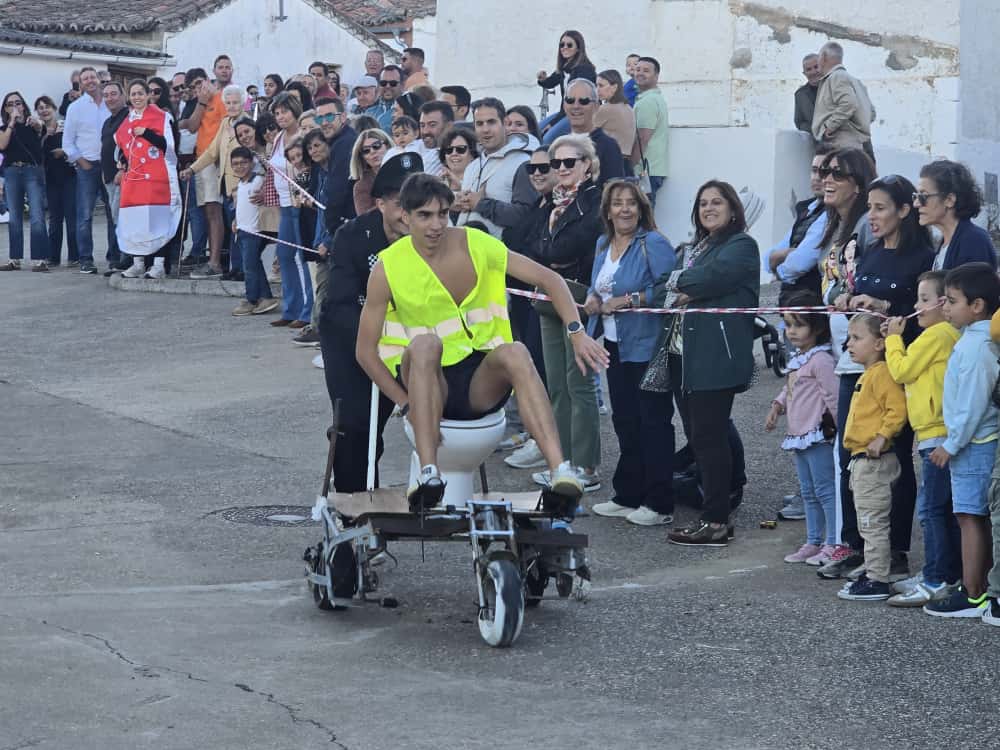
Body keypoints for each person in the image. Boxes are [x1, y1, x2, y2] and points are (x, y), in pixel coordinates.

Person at [355, 173, 608, 512]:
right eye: (425, 215)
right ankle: (428, 475)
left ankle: (560, 472)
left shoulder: (475, 243)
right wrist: (405, 404)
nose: (436, 225)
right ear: (405, 215)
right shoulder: (388, 266)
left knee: (516, 351)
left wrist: (577, 333)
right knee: (426, 344)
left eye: (443, 214)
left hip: (479, 382)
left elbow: (550, 279)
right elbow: (365, 352)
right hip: (428, 382)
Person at [646, 181, 759, 547]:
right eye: (703, 203)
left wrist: (683, 285)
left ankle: (716, 520)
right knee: (700, 436)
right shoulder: (694, 248)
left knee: (709, 438)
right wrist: (682, 287)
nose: (708, 208)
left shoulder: (741, 245)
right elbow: (661, 288)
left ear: (733, 209)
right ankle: (715, 511)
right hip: (683, 356)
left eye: (717, 202)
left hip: (715, 356)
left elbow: (713, 277)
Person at [319, 153, 422, 492]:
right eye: (401, 204)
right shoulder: (352, 236)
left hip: (411, 341)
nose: (409, 213)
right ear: (380, 204)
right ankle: (354, 505)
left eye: (417, 204)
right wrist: (381, 336)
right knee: (356, 425)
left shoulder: (431, 237)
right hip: (350, 340)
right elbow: (341, 303)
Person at [584, 180, 676, 525]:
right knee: (625, 420)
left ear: (641, 209)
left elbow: (671, 287)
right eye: (617, 203)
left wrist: (628, 300)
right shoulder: (602, 244)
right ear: (607, 211)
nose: (624, 209)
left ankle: (659, 503)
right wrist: (592, 299)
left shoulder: (653, 243)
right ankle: (628, 494)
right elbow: (598, 286)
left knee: (653, 422)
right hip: (614, 344)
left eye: (631, 203)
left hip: (647, 345)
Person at [923, 264, 1000, 617]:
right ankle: (976, 587)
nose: (946, 308)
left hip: (975, 443)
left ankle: (972, 593)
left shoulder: (976, 347)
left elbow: (972, 404)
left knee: (969, 516)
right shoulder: (976, 340)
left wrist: (952, 444)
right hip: (976, 441)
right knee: (974, 516)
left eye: (952, 301)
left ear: (977, 305)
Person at [529, 134, 604, 493]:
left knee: (579, 383)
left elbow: (566, 246)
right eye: (555, 163)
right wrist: (550, 252)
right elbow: (535, 245)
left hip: (577, 293)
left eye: (569, 162)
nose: (560, 168)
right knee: (556, 384)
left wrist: (551, 252)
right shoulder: (550, 202)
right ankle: (563, 463)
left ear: (587, 165)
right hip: (548, 294)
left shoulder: (594, 201)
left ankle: (585, 465)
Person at [882, 270, 962, 606]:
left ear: (943, 303)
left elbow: (902, 370)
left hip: (935, 432)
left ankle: (935, 578)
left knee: (932, 510)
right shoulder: (945, 334)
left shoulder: (936, 335)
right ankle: (943, 572)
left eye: (924, 299)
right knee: (942, 509)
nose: (917, 306)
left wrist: (893, 339)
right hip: (937, 430)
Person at [835, 314, 908, 601]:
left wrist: (882, 436)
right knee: (868, 521)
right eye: (848, 338)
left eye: (856, 338)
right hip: (861, 460)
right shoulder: (868, 374)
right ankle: (873, 570)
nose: (849, 344)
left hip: (874, 460)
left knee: (871, 522)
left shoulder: (882, 373)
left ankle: (877, 579)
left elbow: (897, 409)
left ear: (879, 343)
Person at [765, 293, 839, 564]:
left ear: (817, 327)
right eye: (787, 324)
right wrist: (777, 405)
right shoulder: (801, 357)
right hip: (799, 435)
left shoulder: (822, 360)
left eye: (799, 325)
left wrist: (840, 430)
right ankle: (813, 541)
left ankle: (833, 542)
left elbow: (834, 397)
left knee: (825, 491)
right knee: (808, 492)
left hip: (818, 435)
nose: (791, 331)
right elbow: (791, 387)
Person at [113, 79, 181, 280]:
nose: (137, 97)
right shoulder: (127, 120)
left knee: (158, 222)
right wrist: (122, 160)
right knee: (136, 222)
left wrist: (147, 133)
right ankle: (138, 264)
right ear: (129, 97)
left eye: (140, 93)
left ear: (148, 95)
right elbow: (124, 147)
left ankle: (158, 265)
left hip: (157, 179)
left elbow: (169, 147)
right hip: (135, 181)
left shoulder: (162, 117)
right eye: (133, 94)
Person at [183, 55, 235, 279]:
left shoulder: (225, 97)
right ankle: (215, 260)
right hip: (202, 160)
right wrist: (202, 102)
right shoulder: (202, 99)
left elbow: (228, 128)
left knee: (215, 211)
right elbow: (192, 127)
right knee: (208, 212)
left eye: (227, 67)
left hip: (216, 161)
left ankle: (216, 263)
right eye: (220, 67)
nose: (224, 70)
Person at [452, 97, 535, 238]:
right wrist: (456, 205)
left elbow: (527, 216)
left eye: (491, 122)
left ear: (505, 123)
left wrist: (481, 204)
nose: (485, 129)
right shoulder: (472, 166)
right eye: (479, 123)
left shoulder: (523, 163)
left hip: (501, 248)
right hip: (464, 246)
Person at [265, 92, 311, 328]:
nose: (281, 116)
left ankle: (307, 312)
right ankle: (291, 308)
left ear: (294, 110)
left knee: (302, 257)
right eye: (277, 113)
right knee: (284, 255)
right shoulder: (278, 137)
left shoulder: (303, 135)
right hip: (284, 203)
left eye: (284, 111)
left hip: (301, 204)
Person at [763, 148, 831, 303]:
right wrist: (787, 253)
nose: (817, 177)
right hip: (790, 298)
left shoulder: (832, 213)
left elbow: (800, 262)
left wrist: (778, 272)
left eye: (824, 172)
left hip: (811, 298)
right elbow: (768, 259)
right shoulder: (806, 209)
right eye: (814, 170)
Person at [63, 67, 111, 274]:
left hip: (111, 167)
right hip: (88, 167)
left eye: (92, 77)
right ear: (80, 84)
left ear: (98, 79)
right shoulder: (75, 108)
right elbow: (67, 142)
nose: (90, 81)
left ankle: (115, 258)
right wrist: (82, 162)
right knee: (84, 215)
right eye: (85, 79)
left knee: (114, 214)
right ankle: (85, 259)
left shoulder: (111, 102)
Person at [914, 160, 998, 271]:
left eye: (923, 196)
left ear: (949, 200)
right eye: (915, 196)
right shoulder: (947, 242)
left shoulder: (973, 241)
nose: (916, 204)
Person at [0, 91, 50, 271]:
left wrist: (37, 123)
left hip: (31, 170)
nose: (15, 106)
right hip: (12, 172)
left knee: (36, 214)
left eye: (18, 103)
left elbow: (41, 128)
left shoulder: (32, 124)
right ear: (5, 109)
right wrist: (11, 123)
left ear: (23, 106)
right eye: (10, 104)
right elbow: (2, 145)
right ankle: (15, 258)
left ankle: (40, 259)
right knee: (14, 216)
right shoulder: (4, 129)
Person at [228, 146, 278, 317]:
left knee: (249, 267)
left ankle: (251, 300)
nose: (239, 166)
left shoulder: (258, 181)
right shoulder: (240, 184)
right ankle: (266, 298)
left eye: (243, 163)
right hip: (241, 231)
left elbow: (270, 176)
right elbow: (241, 207)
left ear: (251, 163)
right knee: (253, 264)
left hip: (254, 231)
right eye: (235, 164)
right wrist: (235, 221)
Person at [812, 42, 876, 163]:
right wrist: (857, 128)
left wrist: (829, 127)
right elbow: (871, 113)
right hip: (857, 145)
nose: (817, 62)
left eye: (819, 57)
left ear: (824, 57)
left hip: (840, 144)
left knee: (838, 174)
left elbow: (849, 103)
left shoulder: (836, 76)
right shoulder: (856, 81)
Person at [35, 95, 78, 268]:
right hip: (50, 179)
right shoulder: (38, 131)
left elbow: (75, 146)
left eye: (47, 106)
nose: (44, 110)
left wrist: (64, 151)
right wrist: (46, 136)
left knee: (72, 217)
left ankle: (74, 257)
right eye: (40, 108)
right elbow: (36, 154)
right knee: (54, 219)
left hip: (69, 176)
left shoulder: (65, 126)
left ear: (54, 108)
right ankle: (53, 257)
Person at [536, 30, 597, 145]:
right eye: (562, 45)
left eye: (569, 45)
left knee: (547, 139)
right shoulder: (565, 68)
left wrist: (553, 123)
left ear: (578, 48)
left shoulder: (584, 70)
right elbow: (550, 82)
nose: (564, 48)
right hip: (566, 112)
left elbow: (580, 101)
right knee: (536, 130)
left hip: (580, 113)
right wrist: (542, 79)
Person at [562, 79, 626, 187]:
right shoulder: (560, 144)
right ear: (564, 105)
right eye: (570, 100)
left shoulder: (608, 146)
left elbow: (615, 191)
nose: (576, 106)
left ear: (596, 106)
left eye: (584, 101)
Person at [177, 68, 209, 268]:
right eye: (180, 87)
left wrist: (183, 123)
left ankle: (198, 251)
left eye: (186, 86)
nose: (184, 90)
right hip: (184, 162)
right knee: (190, 210)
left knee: (196, 210)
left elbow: (191, 126)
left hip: (196, 161)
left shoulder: (200, 103)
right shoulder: (186, 104)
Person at [98, 81, 129, 274]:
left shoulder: (128, 117)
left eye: (114, 94)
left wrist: (123, 169)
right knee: (115, 220)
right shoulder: (107, 122)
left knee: (123, 219)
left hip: (122, 177)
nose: (110, 98)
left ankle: (126, 260)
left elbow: (129, 146)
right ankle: (117, 258)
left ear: (123, 96)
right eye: (106, 95)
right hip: (109, 178)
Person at [631, 56, 669, 208]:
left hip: (645, 171)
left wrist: (629, 166)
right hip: (652, 169)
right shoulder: (653, 98)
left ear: (656, 76)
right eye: (637, 69)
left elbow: (642, 138)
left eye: (646, 71)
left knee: (642, 215)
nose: (640, 73)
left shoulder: (648, 102)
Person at [594, 70, 636, 165]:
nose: (597, 90)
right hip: (625, 161)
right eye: (596, 86)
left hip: (609, 160)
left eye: (601, 86)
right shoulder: (628, 108)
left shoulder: (606, 108)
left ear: (614, 87)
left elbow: (585, 134)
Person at [349, 127, 391, 215]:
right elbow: (365, 218)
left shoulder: (406, 170)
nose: (372, 151)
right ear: (362, 158)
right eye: (366, 150)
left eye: (376, 146)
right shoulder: (361, 186)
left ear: (387, 146)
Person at [439, 126, 477, 192]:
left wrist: (459, 185)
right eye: (449, 150)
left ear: (472, 154)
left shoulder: (480, 180)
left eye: (461, 149)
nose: (454, 153)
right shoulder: (438, 183)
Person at [366, 65, 402, 132]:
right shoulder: (369, 112)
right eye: (383, 83)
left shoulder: (407, 111)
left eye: (393, 83)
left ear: (402, 85)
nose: (388, 86)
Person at [794, 53, 823, 134]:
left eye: (816, 67)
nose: (813, 72)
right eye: (809, 69)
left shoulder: (835, 87)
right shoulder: (800, 95)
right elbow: (799, 123)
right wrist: (817, 130)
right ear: (804, 73)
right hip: (816, 140)